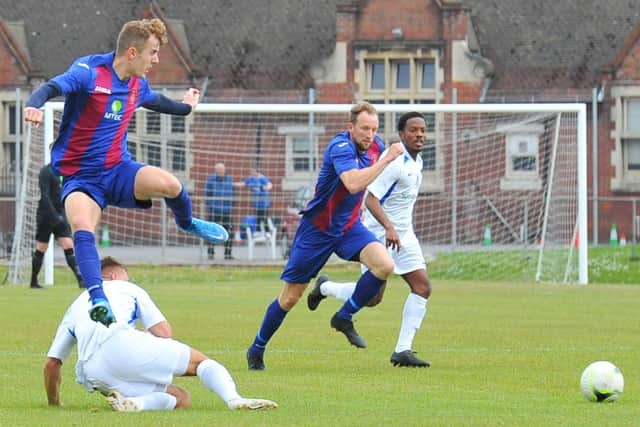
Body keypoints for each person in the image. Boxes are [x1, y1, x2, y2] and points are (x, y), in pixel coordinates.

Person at [23, 18, 228, 327]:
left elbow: (159, 103)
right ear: (132, 52)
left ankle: (187, 223)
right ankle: (98, 299)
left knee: (171, 184)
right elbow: (52, 86)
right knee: (81, 225)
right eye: (153, 53)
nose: (156, 61)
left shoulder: (137, 84)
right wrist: (34, 105)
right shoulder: (89, 72)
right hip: (81, 177)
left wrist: (186, 107)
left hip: (118, 170)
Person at [246, 102, 404, 370]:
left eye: (374, 129)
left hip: (349, 228)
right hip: (318, 230)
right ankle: (257, 348)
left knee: (385, 265)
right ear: (350, 128)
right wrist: (388, 159)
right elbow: (353, 182)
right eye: (364, 128)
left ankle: (343, 316)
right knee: (290, 298)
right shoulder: (339, 147)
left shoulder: (376, 146)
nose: (369, 134)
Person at [44, 256, 278, 412]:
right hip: (123, 344)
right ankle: (234, 400)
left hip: (94, 372)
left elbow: (52, 364)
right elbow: (164, 332)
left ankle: (135, 404)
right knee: (200, 363)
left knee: (180, 398)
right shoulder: (128, 287)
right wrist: (142, 336)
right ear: (115, 276)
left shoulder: (74, 306)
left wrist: (54, 404)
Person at [307, 112, 433, 368]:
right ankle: (325, 288)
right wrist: (389, 227)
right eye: (413, 130)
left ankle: (403, 350)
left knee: (422, 288)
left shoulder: (416, 162)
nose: (419, 135)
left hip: (404, 235)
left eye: (422, 130)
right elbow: (371, 199)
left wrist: (399, 230)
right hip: (379, 234)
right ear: (401, 135)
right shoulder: (395, 163)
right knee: (373, 299)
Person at [30, 164, 84, 289]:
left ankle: (80, 279)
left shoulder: (65, 171)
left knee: (68, 244)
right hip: (46, 215)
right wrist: (53, 215)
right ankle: (33, 280)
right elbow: (45, 195)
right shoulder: (46, 171)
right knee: (42, 247)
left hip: (60, 214)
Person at [204, 162, 235, 260]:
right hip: (215, 210)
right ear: (215, 170)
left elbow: (234, 193)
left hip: (226, 211)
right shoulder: (211, 180)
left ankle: (228, 253)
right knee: (211, 232)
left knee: (229, 231)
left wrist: (231, 205)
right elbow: (207, 194)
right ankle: (211, 252)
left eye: (222, 169)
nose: (220, 171)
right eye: (218, 169)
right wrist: (210, 205)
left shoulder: (229, 180)